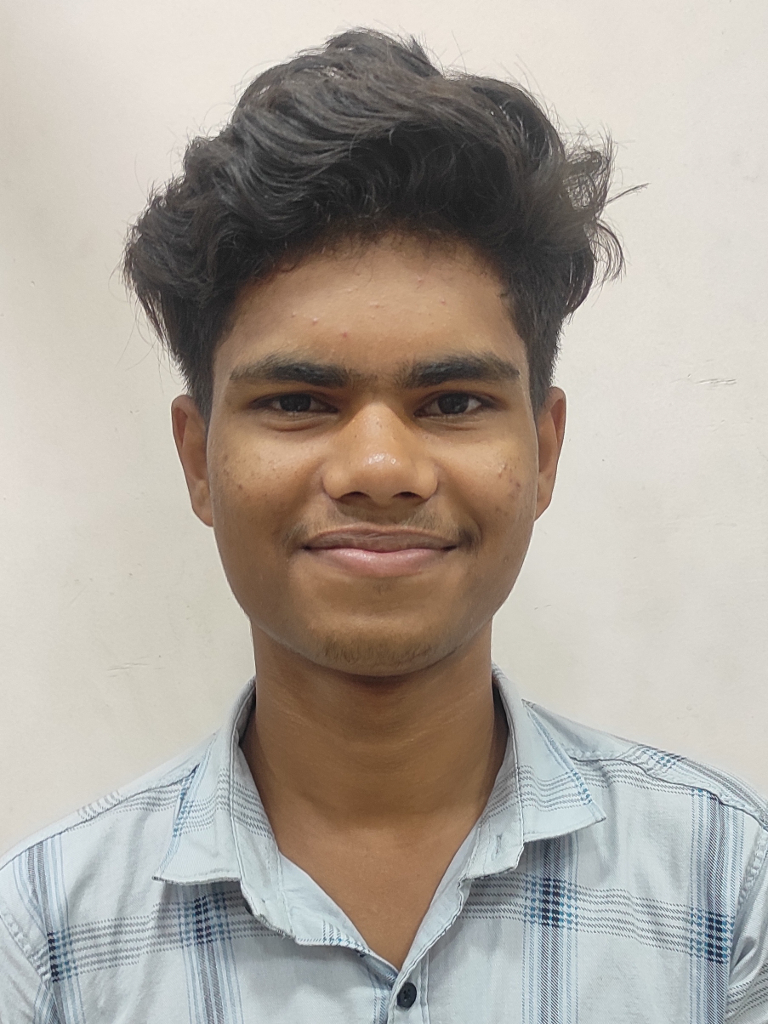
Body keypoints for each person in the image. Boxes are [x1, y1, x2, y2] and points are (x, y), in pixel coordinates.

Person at [1, 28, 766, 1022]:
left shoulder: (728, 888)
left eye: (451, 402)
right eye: (298, 402)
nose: (378, 469)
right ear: (197, 457)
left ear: (544, 450)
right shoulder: (47, 938)